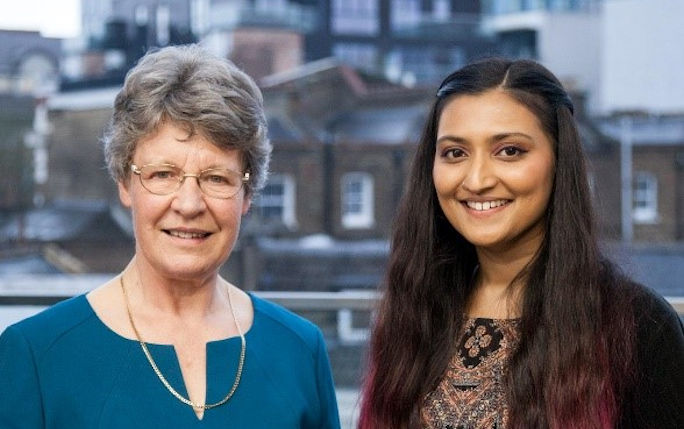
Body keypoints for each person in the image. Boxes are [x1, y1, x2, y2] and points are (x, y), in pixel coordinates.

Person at [0, 45, 340, 428]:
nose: (190, 204)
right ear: (125, 184)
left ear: (247, 195)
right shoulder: (37, 355)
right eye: (163, 174)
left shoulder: (299, 350)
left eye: (216, 178)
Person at [358, 58, 684, 428]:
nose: (477, 179)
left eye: (509, 151)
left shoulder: (637, 325)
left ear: (559, 161)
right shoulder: (409, 315)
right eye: (455, 153)